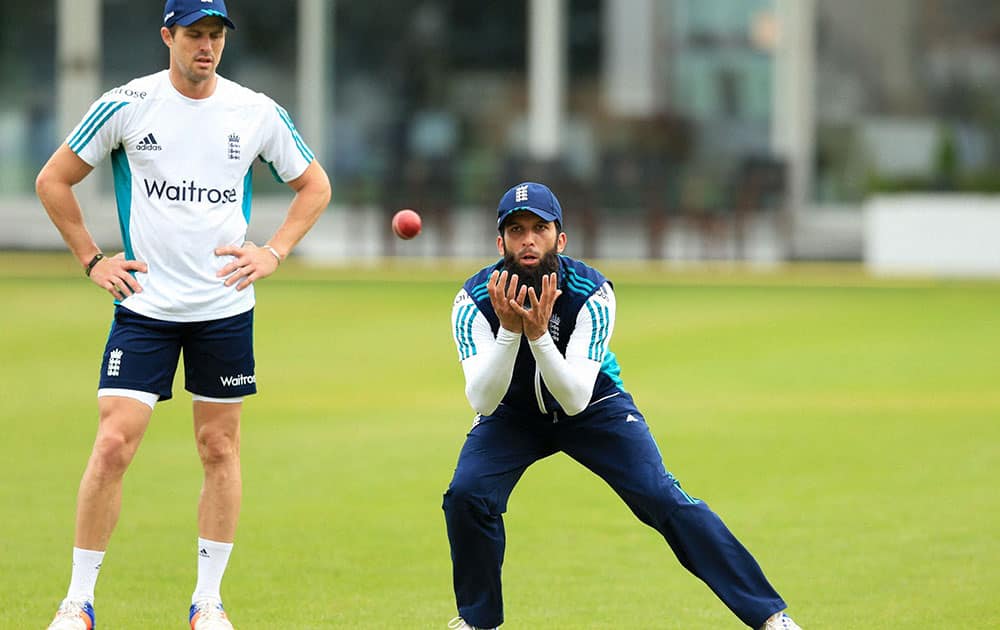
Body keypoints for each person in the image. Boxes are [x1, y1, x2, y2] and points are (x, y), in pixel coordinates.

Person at [35, 1, 331, 628]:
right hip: (145, 308)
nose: (207, 46)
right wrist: (92, 260)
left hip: (224, 307)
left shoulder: (255, 112)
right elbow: (53, 180)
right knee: (114, 444)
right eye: (194, 34)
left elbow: (315, 185)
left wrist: (274, 252)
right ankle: (78, 601)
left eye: (216, 35)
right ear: (167, 35)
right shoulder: (125, 104)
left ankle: (207, 602)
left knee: (218, 447)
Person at [443, 182, 802, 630]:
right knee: (467, 495)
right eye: (516, 230)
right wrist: (511, 331)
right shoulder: (473, 299)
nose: (528, 239)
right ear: (500, 243)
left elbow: (574, 398)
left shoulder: (592, 291)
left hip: (593, 406)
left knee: (659, 495)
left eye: (540, 228)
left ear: (561, 239)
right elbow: (482, 398)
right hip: (512, 414)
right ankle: (479, 622)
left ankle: (769, 616)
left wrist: (536, 334)